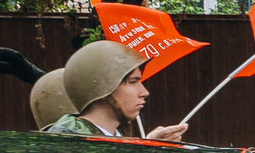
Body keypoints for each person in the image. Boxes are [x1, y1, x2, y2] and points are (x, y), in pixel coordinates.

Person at [44, 40, 188, 141]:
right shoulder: (68, 141)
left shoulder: (108, 137)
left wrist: (148, 147)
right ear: (102, 88)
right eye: (133, 82)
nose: (144, 92)